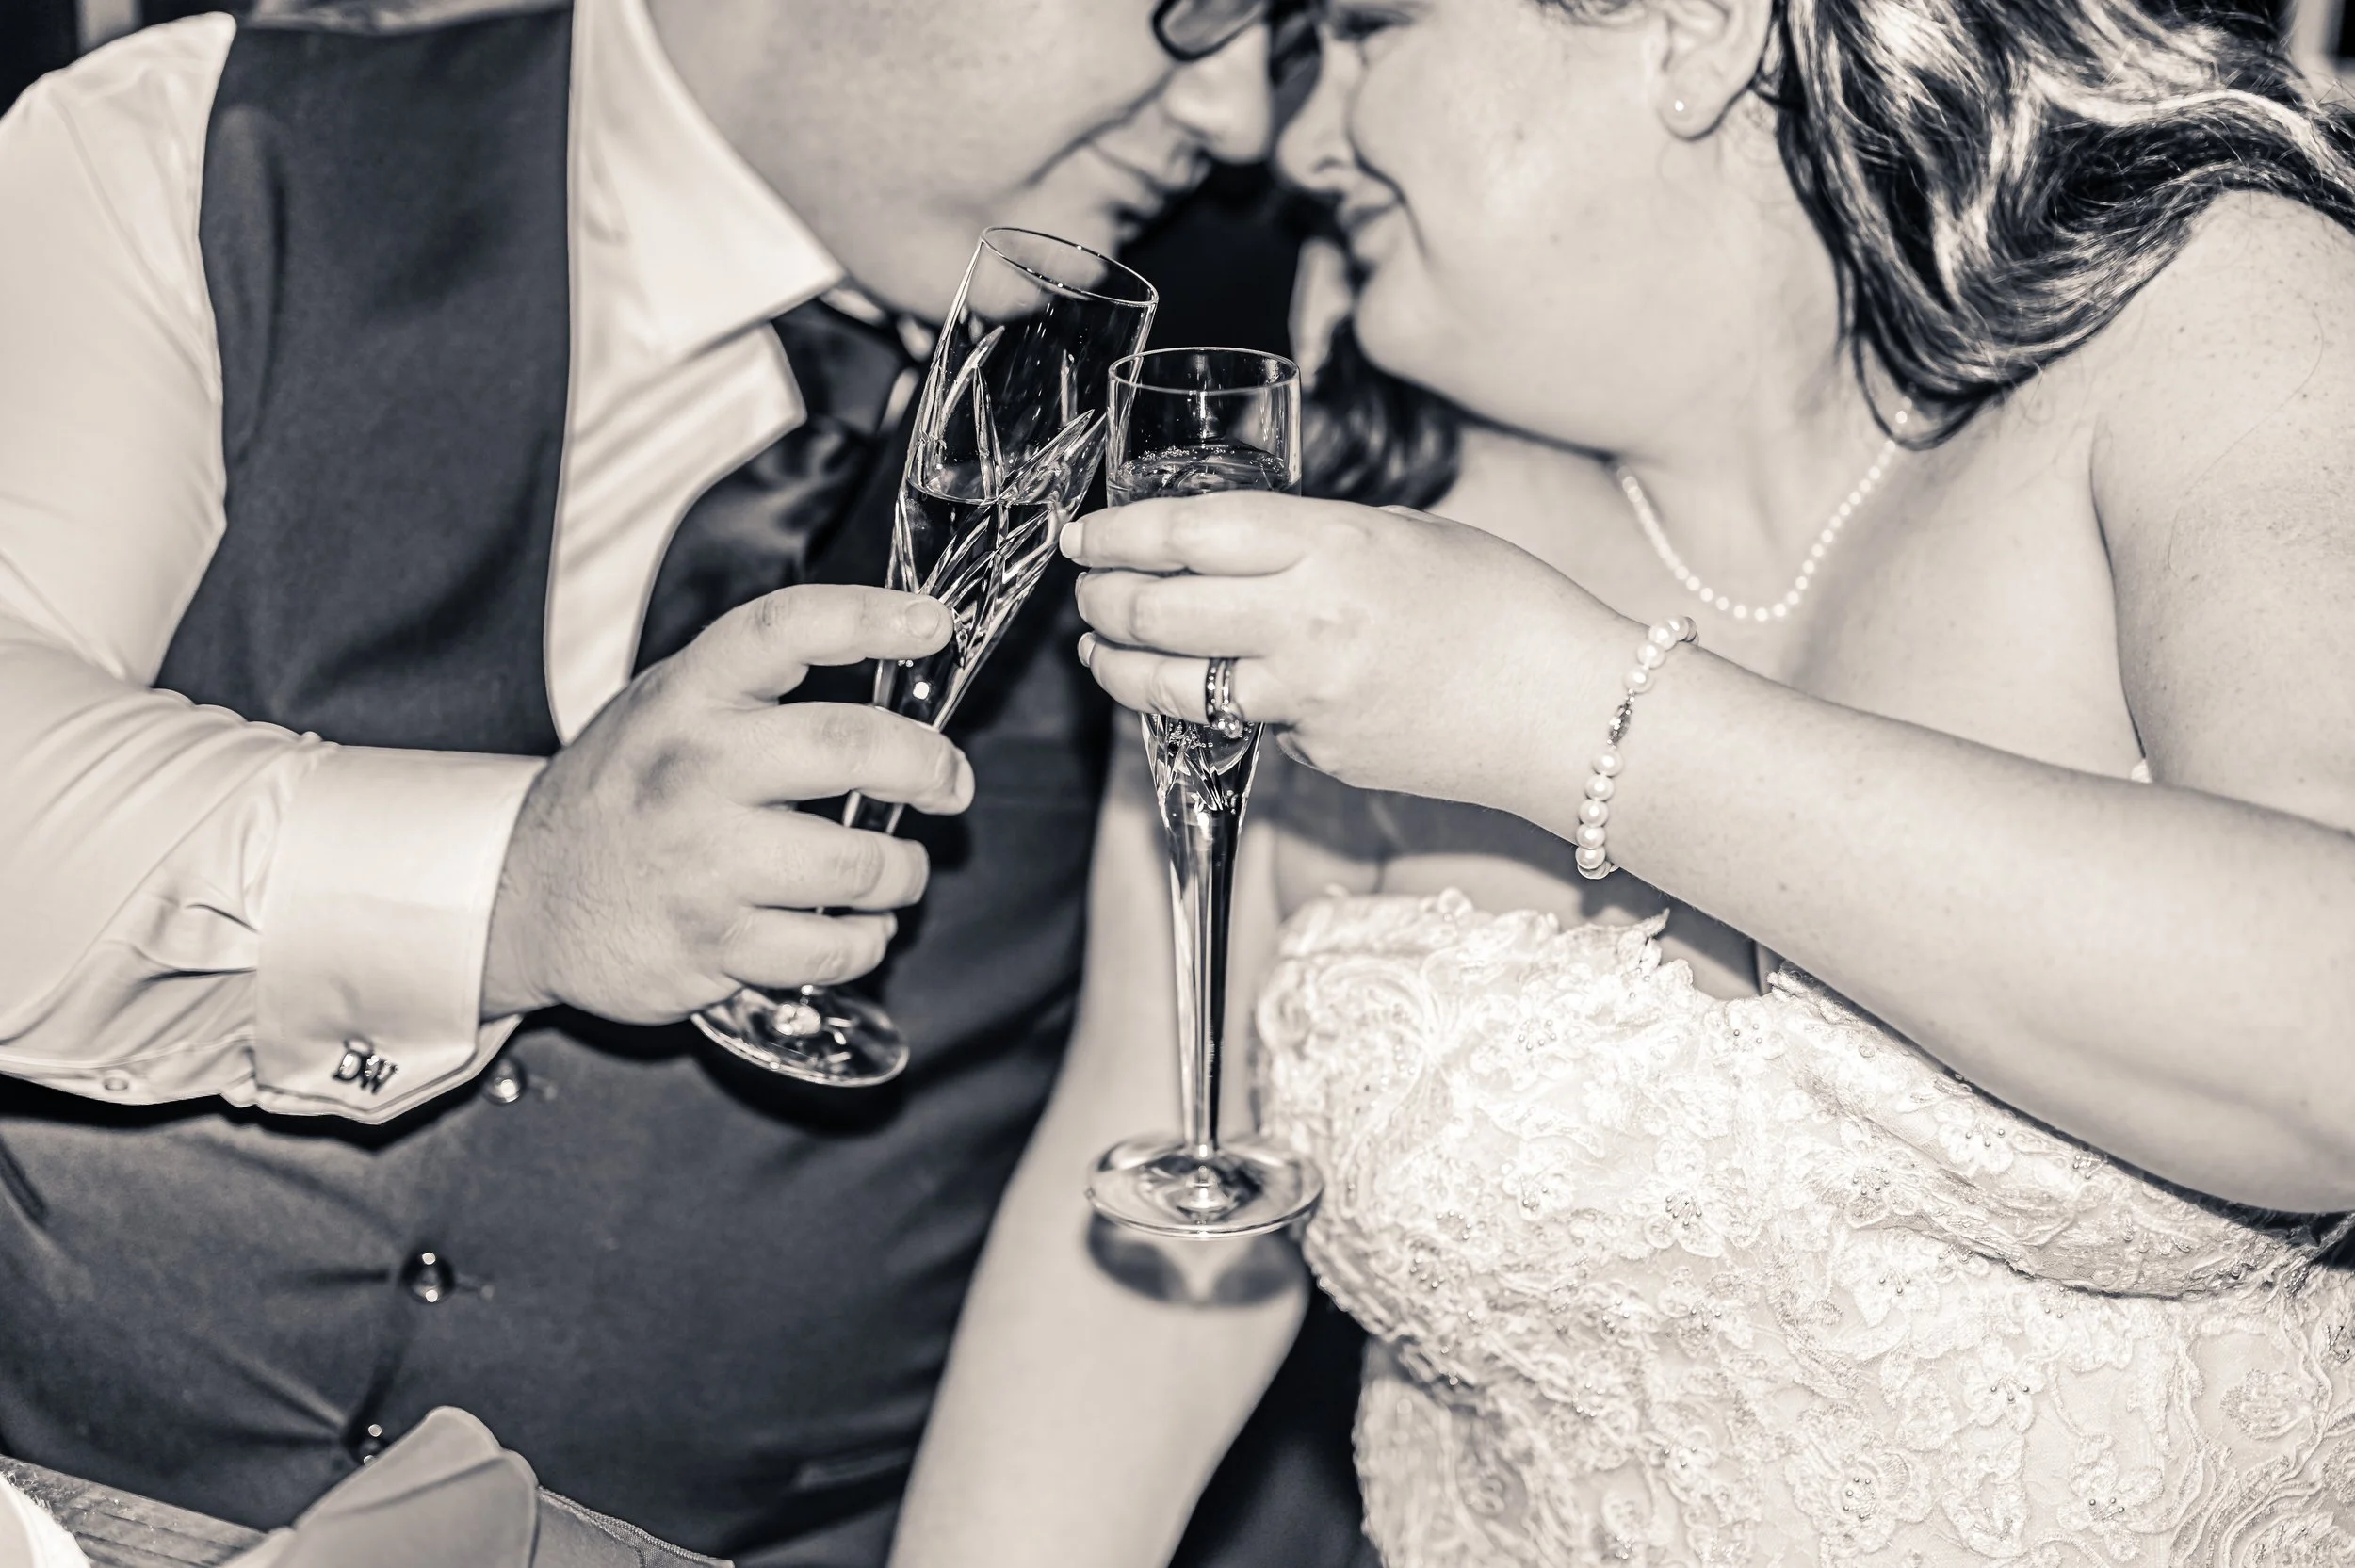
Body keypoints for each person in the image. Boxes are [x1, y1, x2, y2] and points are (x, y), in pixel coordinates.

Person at [912, 0, 2355, 1560]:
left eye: (1367, 32)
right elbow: (1147, 1245)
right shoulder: (1349, 506)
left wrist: (1560, 711)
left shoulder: (2209, 309)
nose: (1294, 137)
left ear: (1687, 24)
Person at [0, 0, 1279, 1561]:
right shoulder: (197, 152)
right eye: (1196, 13)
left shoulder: (1236, 366)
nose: (1241, 115)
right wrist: (524, 882)